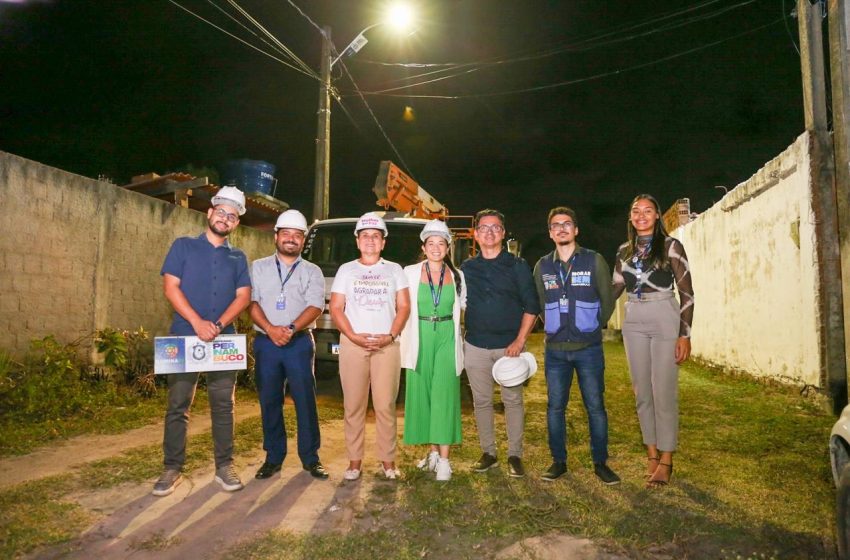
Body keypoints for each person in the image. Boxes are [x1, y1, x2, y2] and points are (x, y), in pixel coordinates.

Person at [153, 186, 252, 497]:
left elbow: (244, 296)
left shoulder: (238, 257)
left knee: (224, 405)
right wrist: (197, 323)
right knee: (178, 404)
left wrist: (219, 325)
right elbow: (171, 288)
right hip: (185, 335)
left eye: (232, 216)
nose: (225, 218)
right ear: (209, 213)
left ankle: (224, 467)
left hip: (225, 340)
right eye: (221, 212)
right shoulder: (182, 247)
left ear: (236, 223)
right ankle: (172, 468)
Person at [532, 207, 620, 485]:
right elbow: (540, 304)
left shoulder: (594, 261)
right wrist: (556, 326)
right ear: (550, 233)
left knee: (595, 406)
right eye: (556, 225)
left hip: (588, 350)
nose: (561, 229)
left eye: (567, 224)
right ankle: (558, 461)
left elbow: (607, 302)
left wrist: (590, 327)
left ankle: (600, 463)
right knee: (555, 407)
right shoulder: (542, 266)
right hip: (556, 350)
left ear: (576, 230)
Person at [612, 194, 694, 488]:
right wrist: (587, 317)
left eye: (648, 211)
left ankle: (667, 458)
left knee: (664, 390)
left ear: (658, 215)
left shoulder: (672, 246)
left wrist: (684, 334)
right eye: (636, 211)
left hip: (663, 315)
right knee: (641, 391)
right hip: (633, 317)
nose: (642, 215)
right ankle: (651, 453)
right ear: (631, 217)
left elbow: (687, 294)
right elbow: (614, 290)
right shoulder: (623, 251)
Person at [329, 212, 411, 480]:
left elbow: (403, 306)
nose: (371, 241)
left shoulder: (394, 270)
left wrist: (390, 334)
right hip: (353, 345)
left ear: (383, 242)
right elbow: (337, 308)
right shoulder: (346, 270)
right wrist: (352, 336)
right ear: (357, 240)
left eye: (376, 236)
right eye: (365, 236)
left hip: (386, 345)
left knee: (385, 405)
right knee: (354, 405)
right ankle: (354, 462)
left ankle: (388, 461)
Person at [248, 209, 329, 481]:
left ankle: (311, 458)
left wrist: (291, 328)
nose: (291, 240)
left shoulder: (312, 271)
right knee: (269, 400)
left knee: (305, 400)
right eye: (286, 234)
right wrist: (271, 329)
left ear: (303, 240)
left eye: (297, 235)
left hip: (298, 343)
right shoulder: (258, 267)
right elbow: (252, 302)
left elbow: (315, 305)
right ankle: (273, 457)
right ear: (276, 236)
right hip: (266, 343)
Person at [461, 209, 540, 478]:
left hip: (509, 348)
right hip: (475, 346)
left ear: (503, 233)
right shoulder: (467, 268)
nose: (490, 232)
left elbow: (532, 306)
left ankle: (515, 455)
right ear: (476, 234)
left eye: (495, 227)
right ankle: (489, 453)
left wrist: (520, 340)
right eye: (484, 228)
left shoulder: (517, 266)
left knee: (512, 401)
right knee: (481, 402)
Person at [399, 219, 466, 481]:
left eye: (441, 243)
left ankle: (445, 461)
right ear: (424, 247)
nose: (436, 248)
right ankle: (433, 452)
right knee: (423, 394)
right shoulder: (410, 272)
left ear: (448, 247)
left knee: (444, 395)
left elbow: (463, 311)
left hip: (446, 337)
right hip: (419, 335)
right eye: (431, 243)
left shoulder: (458, 276)